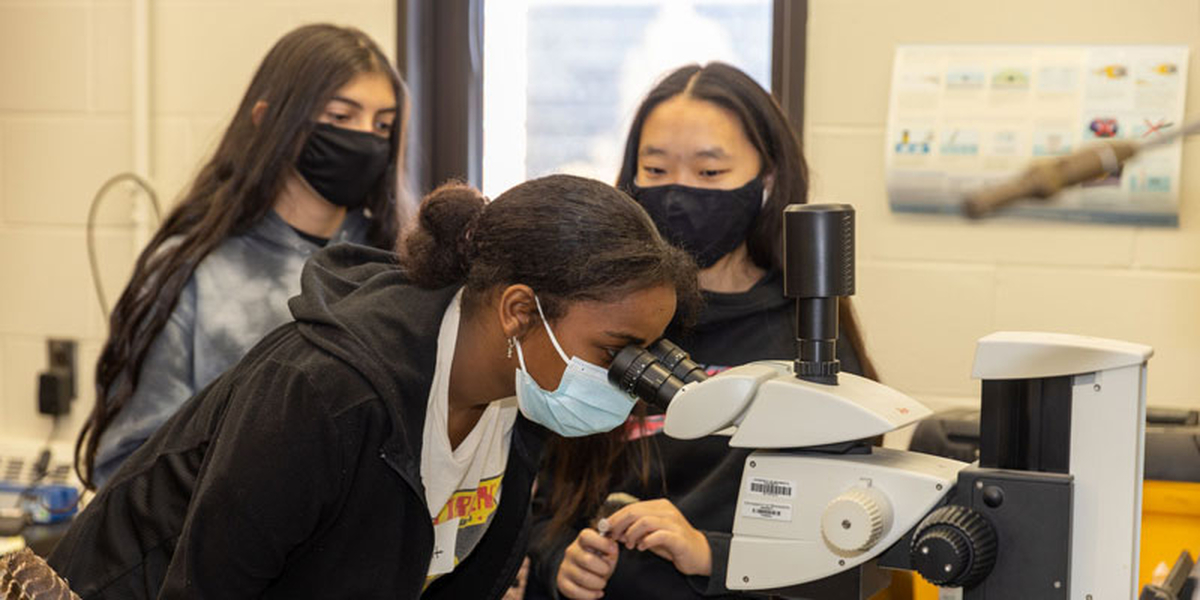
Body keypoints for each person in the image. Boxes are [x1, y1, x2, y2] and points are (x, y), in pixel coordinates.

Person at [46, 175, 700, 599]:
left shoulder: (519, 402)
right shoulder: (325, 392)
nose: (623, 380)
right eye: (615, 353)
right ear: (520, 311)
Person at [529, 62, 879, 600]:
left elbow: (844, 552)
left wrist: (711, 553)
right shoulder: (603, 321)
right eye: (656, 169)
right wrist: (558, 564)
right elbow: (542, 500)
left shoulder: (808, 340)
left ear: (765, 179)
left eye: (710, 173)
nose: (678, 194)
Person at [75, 24, 409, 489]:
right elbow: (129, 467)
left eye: (382, 126)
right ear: (269, 119)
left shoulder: (397, 271)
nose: (366, 139)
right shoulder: (189, 273)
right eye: (339, 117)